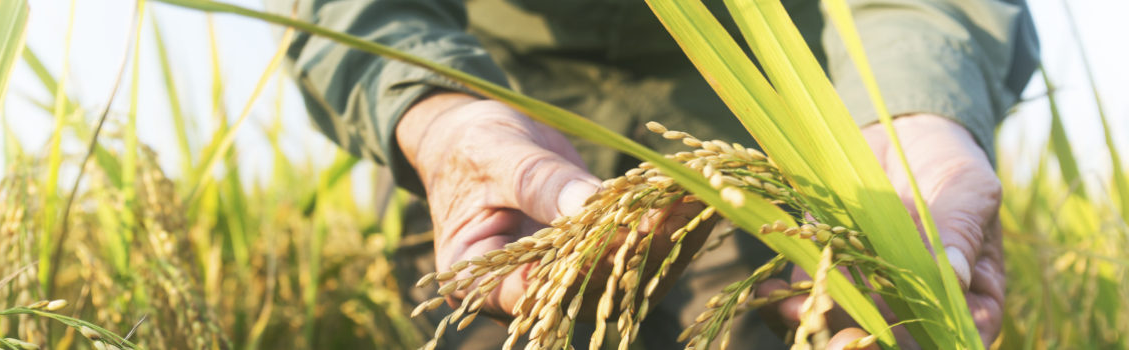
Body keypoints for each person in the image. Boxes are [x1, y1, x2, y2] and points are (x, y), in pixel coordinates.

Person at [266, 0, 1038, 348]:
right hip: (492, 93)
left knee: (772, 330)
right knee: (495, 327)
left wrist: (914, 120)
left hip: (761, 105)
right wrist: (438, 116)